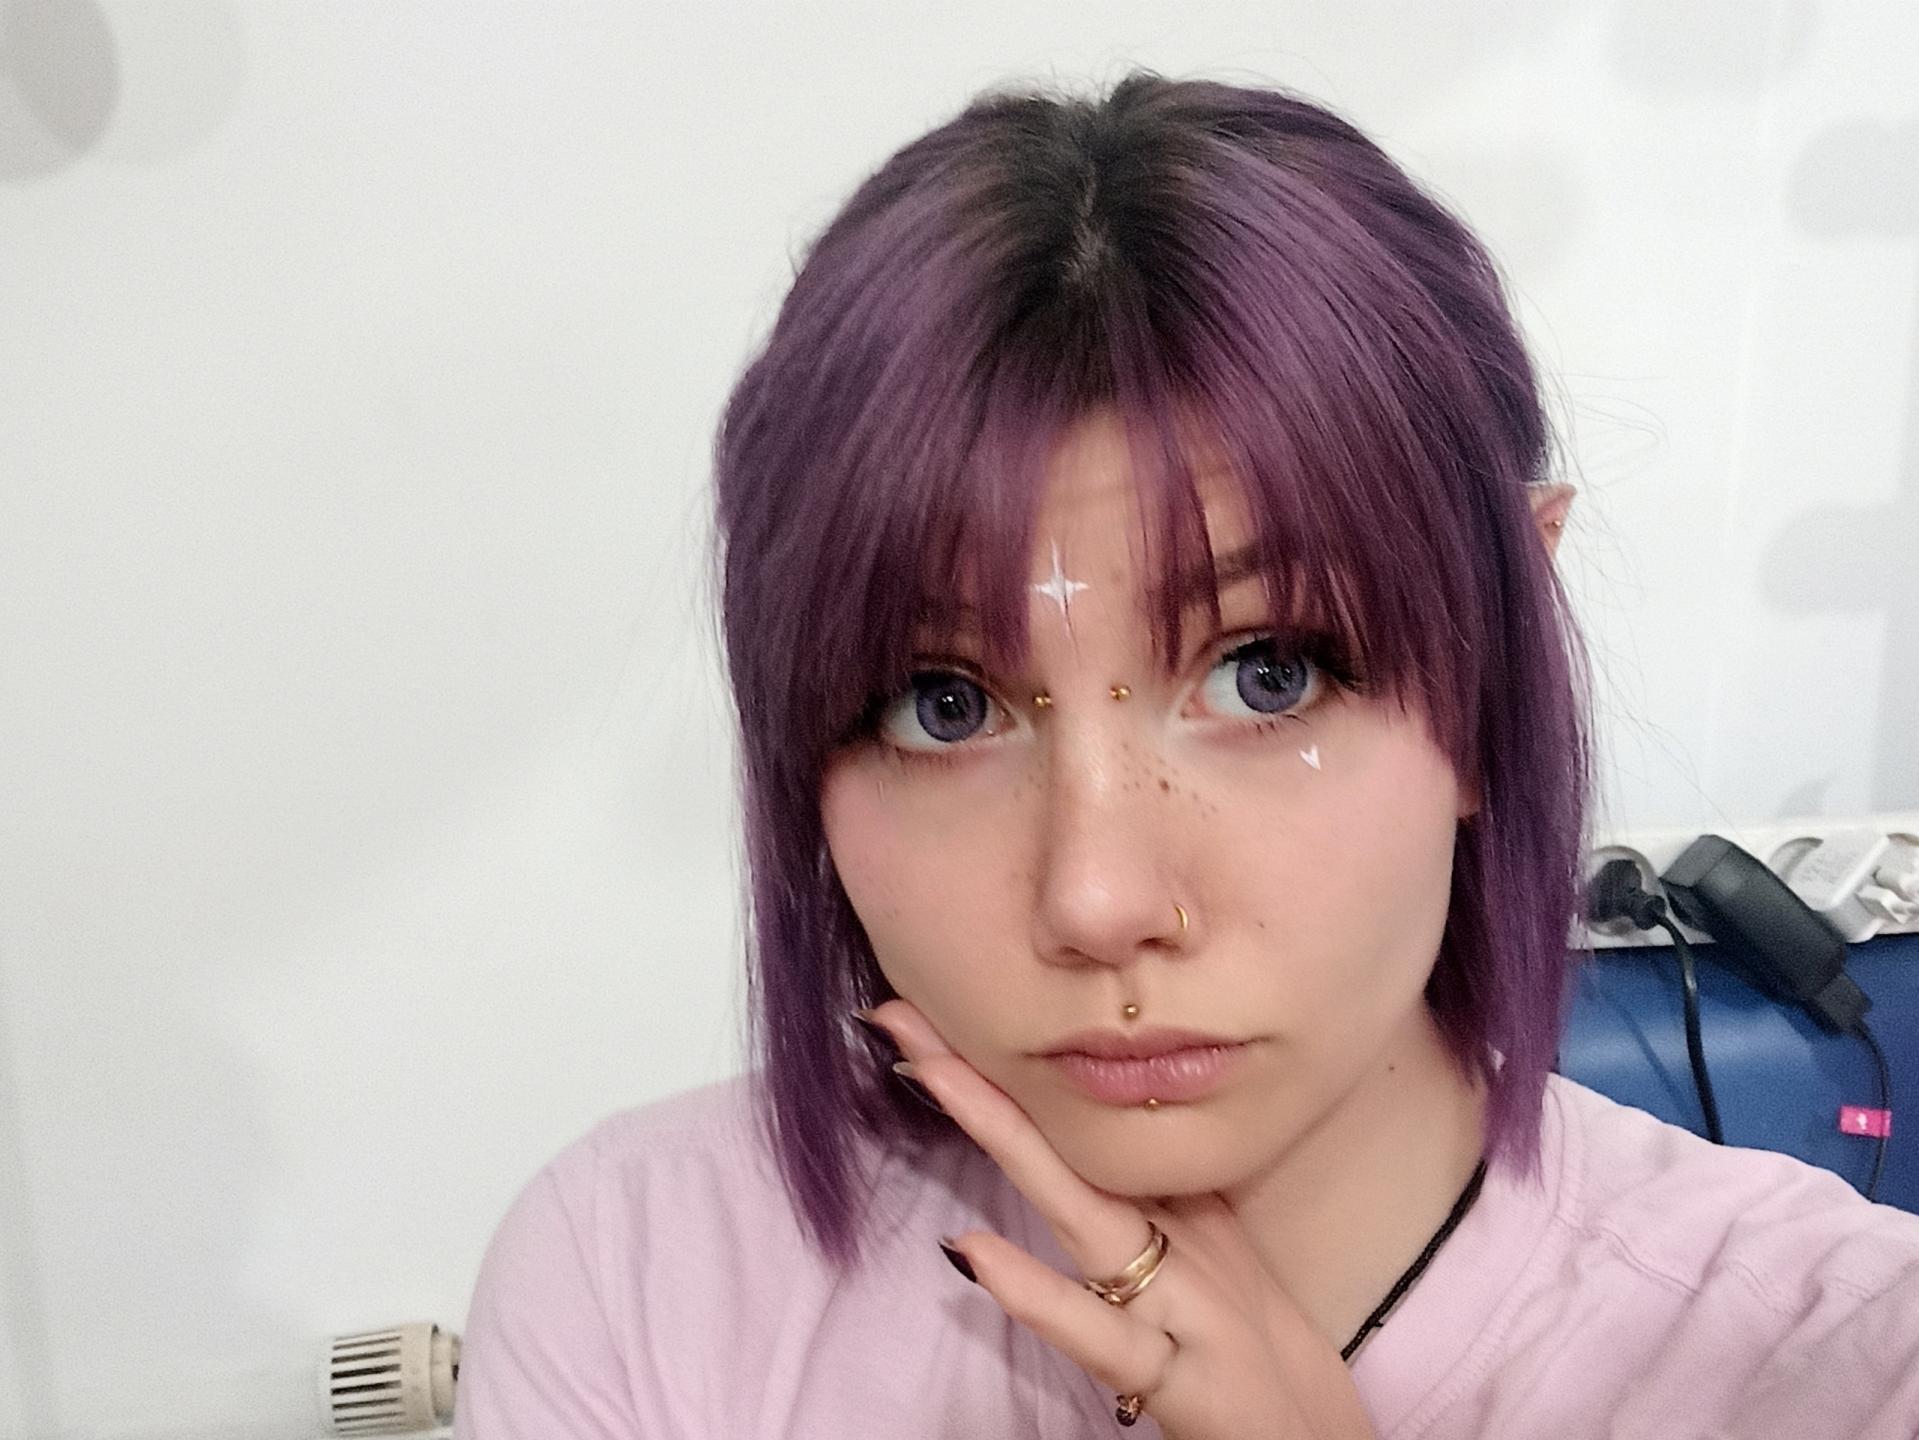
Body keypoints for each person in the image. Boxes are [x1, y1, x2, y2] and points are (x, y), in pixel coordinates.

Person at [450, 72, 1919, 1438]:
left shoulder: (1841, 1364)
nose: (1096, 902)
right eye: (940, 704)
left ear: (1497, 668)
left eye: (1268, 672)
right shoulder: (639, 1274)